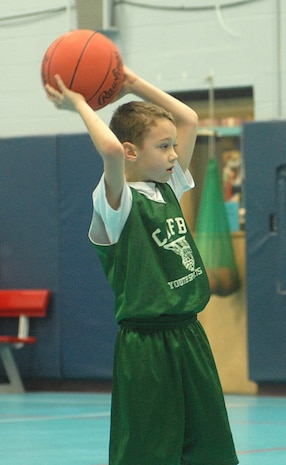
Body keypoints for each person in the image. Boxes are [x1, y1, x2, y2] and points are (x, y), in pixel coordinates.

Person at [46, 68, 239, 465]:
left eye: (173, 147)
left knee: (209, 447)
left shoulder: (167, 185)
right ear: (133, 151)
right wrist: (80, 103)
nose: (173, 154)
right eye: (163, 147)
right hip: (146, 346)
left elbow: (189, 118)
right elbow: (112, 152)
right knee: (148, 451)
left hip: (189, 334)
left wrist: (132, 83)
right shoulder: (116, 202)